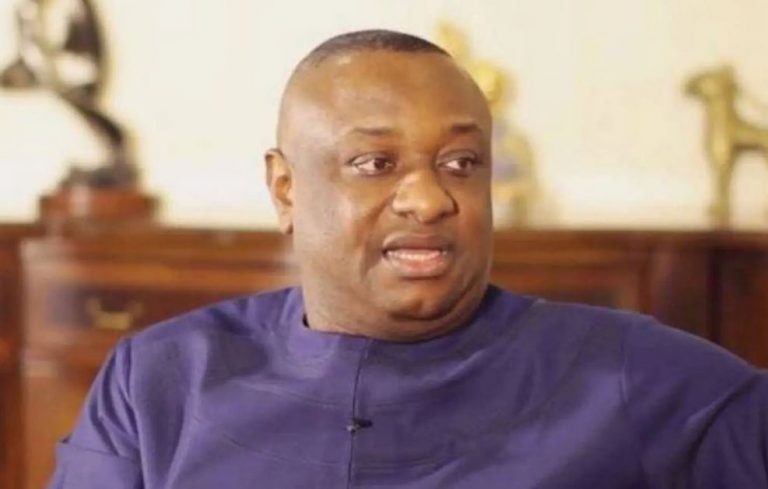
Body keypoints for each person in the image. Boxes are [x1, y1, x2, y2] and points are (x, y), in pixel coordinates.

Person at [48, 30, 768, 489]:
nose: (428, 199)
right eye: (375, 163)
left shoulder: (637, 376)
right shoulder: (159, 383)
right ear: (285, 187)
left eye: (461, 162)